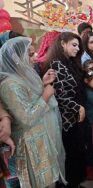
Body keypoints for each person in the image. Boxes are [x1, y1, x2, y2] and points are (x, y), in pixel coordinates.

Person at [0, 37, 66, 187]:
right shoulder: (9, 84)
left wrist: (43, 84)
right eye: (30, 54)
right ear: (15, 58)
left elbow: (29, 98)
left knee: (49, 181)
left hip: (41, 137)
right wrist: (46, 95)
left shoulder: (23, 76)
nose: (35, 56)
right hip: (30, 144)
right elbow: (27, 118)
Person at [45, 32, 86, 188]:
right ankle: (69, 183)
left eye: (78, 46)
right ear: (62, 43)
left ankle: (74, 182)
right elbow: (60, 95)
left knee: (76, 152)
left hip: (76, 115)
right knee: (69, 153)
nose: (77, 49)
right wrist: (78, 107)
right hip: (67, 118)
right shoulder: (56, 64)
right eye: (74, 45)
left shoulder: (70, 62)